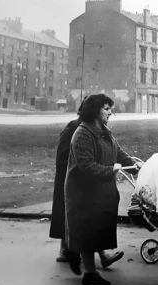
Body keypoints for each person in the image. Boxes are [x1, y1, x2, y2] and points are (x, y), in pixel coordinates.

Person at [64, 94, 143, 285]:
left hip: (100, 190)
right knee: (89, 230)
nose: (110, 112)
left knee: (98, 227)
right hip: (83, 191)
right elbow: (87, 166)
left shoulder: (105, 131)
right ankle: (90, 274)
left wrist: (134, 165)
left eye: (110, 109)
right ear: (95, 110)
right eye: (106, 108)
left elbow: (119, 152)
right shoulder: (82, 134)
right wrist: (111, 170)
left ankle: (75, 252)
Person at [49, 100, 124, 272]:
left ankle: (101, 257)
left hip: (89, 180)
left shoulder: (98, 130)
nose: (109, 113)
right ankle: (66, 251)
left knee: (88, 222)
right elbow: (63, 157)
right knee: (73, 220)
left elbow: (114, 151)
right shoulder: (74, 128)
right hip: (74, 179)